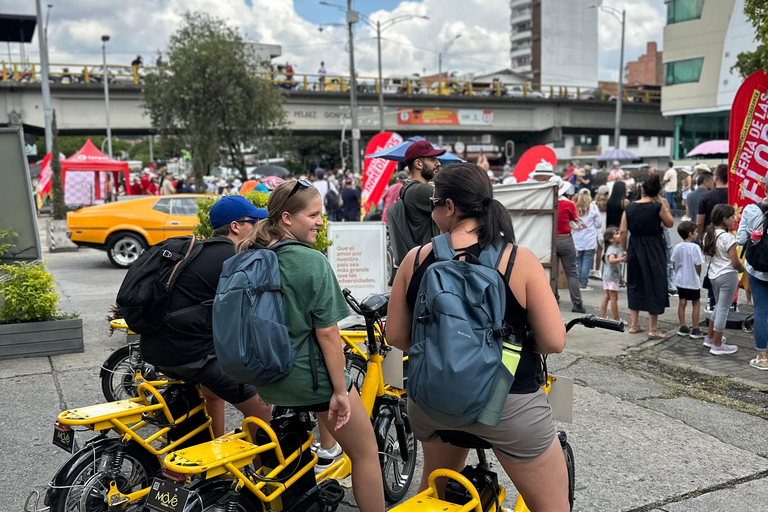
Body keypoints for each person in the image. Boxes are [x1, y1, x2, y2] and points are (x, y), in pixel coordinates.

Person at [386, 162, 570, 511]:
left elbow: (396, 335)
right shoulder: (518, 260)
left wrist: (446, 351)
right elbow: (553, 342)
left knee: (435, 487)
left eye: (434, 204)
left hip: (432, 398)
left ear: (450, 207)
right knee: (552, 506)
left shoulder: (416, 259)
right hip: (503, 397)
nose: (432, 212)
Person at [236, 180, 385, 512]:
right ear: (287, 218)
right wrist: (341, 392)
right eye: (314, 215)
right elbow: (329, 335)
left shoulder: (252, 255)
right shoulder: (311, 261)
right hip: (310, 379)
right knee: (365, 452)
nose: (320, 221)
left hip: (267, 377)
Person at [140, 196, 272, 438]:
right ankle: (261, 471)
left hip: (158, 348)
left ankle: (213, 463)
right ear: (236, 226)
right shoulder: (235, 258)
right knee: (261, 409)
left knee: (214, 393)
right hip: (194, 355)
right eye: (254, 222)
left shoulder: (199, 251)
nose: (258, 228)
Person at [621, 175, 674, 339]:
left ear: (642, 190)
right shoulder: (657, 206)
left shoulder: (629, 208)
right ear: (657, 191)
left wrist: (625, 248)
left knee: (635, 283)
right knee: (655, 283)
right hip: (654, 246)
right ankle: (653, 329)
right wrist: (663, 203)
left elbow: (623, 231)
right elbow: (670, 223)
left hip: (635, 246)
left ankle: (634, 324)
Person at [702, 204, 744, 355]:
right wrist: (741, 269)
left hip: (714, 275)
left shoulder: (709, 234)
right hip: (727, 275)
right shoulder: (728, 237)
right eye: (732, 217)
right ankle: (718, 344)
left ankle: (710, 337)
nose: (734, 220)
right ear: (725, 219)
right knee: (723, 310)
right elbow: (735, 262)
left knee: (718, 306)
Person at [736, 197, 768, 370]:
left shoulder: (751, 210)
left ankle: (762, 358)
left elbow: (740, 239)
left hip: (758, 269)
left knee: (762, 312)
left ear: (765, 188)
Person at [553, 177, 586, 313]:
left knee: (552, 273)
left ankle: (554, 300)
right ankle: (577, 303)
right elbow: (575, 220)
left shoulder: (547, 203)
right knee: (571, 272)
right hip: (566, 239)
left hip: (551, 240)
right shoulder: (569, 204)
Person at [402, 140, 444, 244]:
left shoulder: (409, 188)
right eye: (433, 159)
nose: (438, 163)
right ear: (418, 164)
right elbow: (459, 205)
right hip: (431, 256)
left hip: (424, 254)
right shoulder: (420, 190)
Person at [671, 221, 705, 338]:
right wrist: (697, 275)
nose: (697, 234)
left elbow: (674, 263)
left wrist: (678, 273)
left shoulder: (678, 247)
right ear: (690, 234)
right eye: (695, 232)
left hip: (681, 279)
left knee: (682, 302)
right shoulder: (695, 247)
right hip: (692, 279)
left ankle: (683, 326)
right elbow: (698, 264)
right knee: (696, 302)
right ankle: (695, 328)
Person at [572, 191, 601, 290]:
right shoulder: (593, 207)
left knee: (579, 259)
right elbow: (598, 224)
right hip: (590, 237)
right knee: (587, 260)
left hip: (578, 237)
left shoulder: (575, 207)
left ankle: (579, 280)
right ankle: (583, 282)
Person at [696, 164, 729, 241]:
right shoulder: (735, 195)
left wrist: (700, 238)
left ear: (716, 177)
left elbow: (699, 223)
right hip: (732, 236)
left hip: (711, 237)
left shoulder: (706, 197)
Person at [600, 227, 625, 321]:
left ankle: (603, 316)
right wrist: (621, 259)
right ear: (611, 239)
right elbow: (611, 260)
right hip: (611, 277)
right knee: (614, 298)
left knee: (607, 296)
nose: (620, 234)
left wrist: (620, 277)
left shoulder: (614, 249)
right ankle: (617, 319)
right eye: (617, 233)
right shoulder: (613, 249)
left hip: (607, 276)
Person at [687, 171, 714, 235]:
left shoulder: (689, 195)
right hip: (708, 231)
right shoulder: (711, 196)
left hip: (693, 231)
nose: (713, 183)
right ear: (705, 182)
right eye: (712, 181)